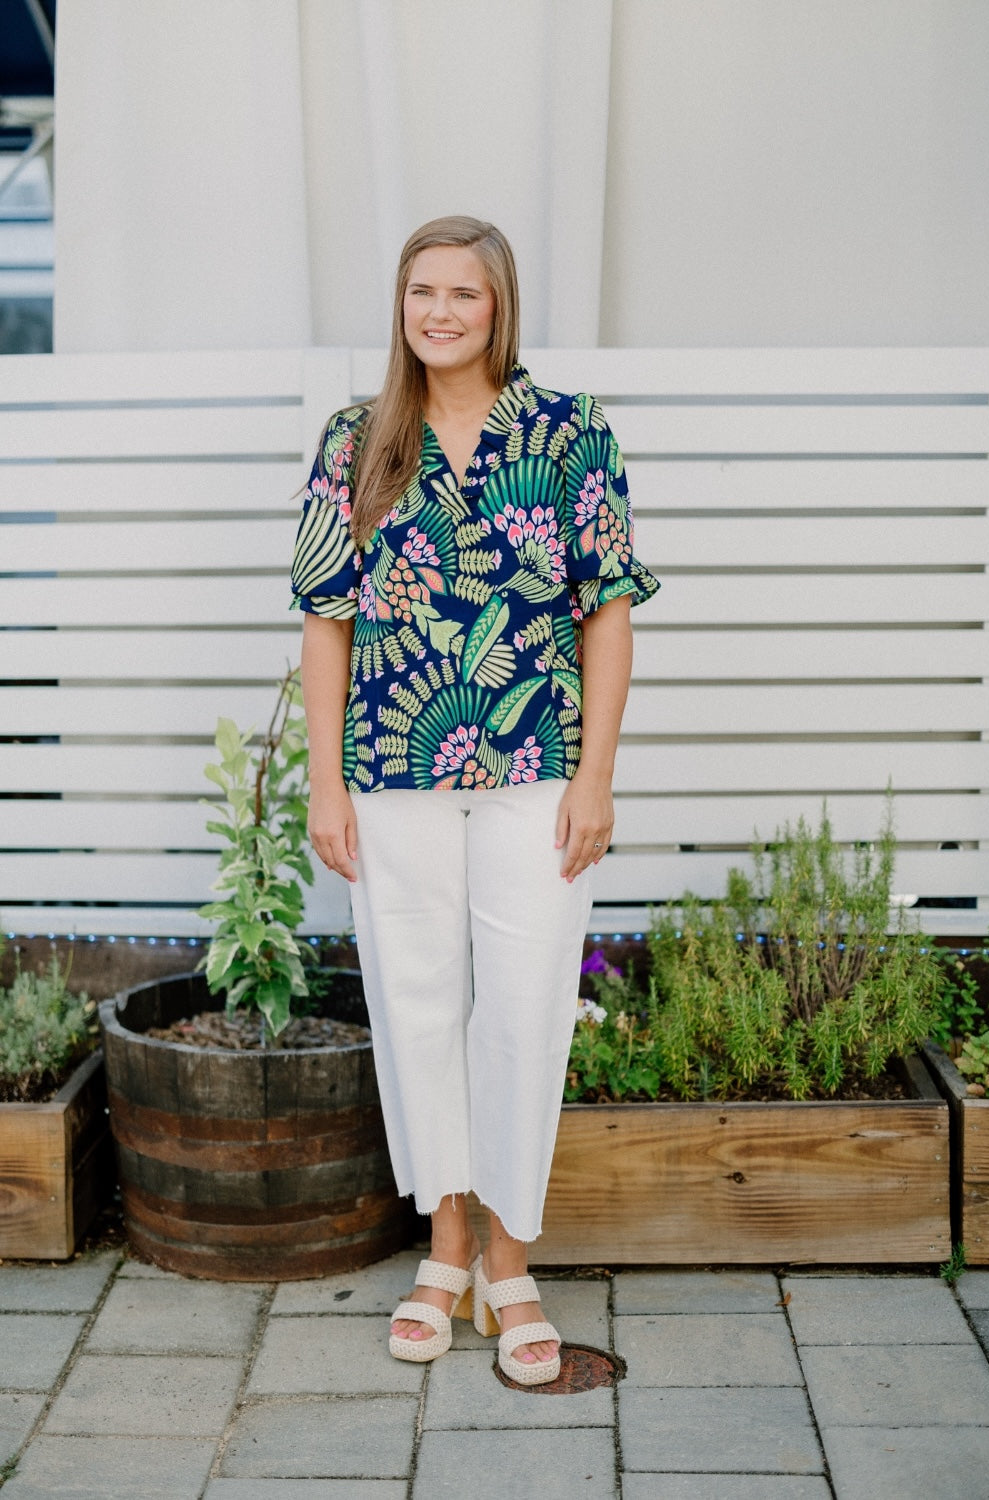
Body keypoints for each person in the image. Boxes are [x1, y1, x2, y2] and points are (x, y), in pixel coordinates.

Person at [291, 215, 658, 1386]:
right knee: (416, 1001)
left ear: (499, 306)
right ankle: (441, 1244)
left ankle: (512, 1258)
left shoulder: (567, 432)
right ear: (398, 305)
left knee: (524, 1002)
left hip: (537, 768)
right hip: (392, 772)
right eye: (420, 292)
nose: (439, 312)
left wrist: (596, 776)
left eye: (464, 294)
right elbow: (324, 620)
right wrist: (324, 785)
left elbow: (607, 609)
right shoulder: (358, 438)